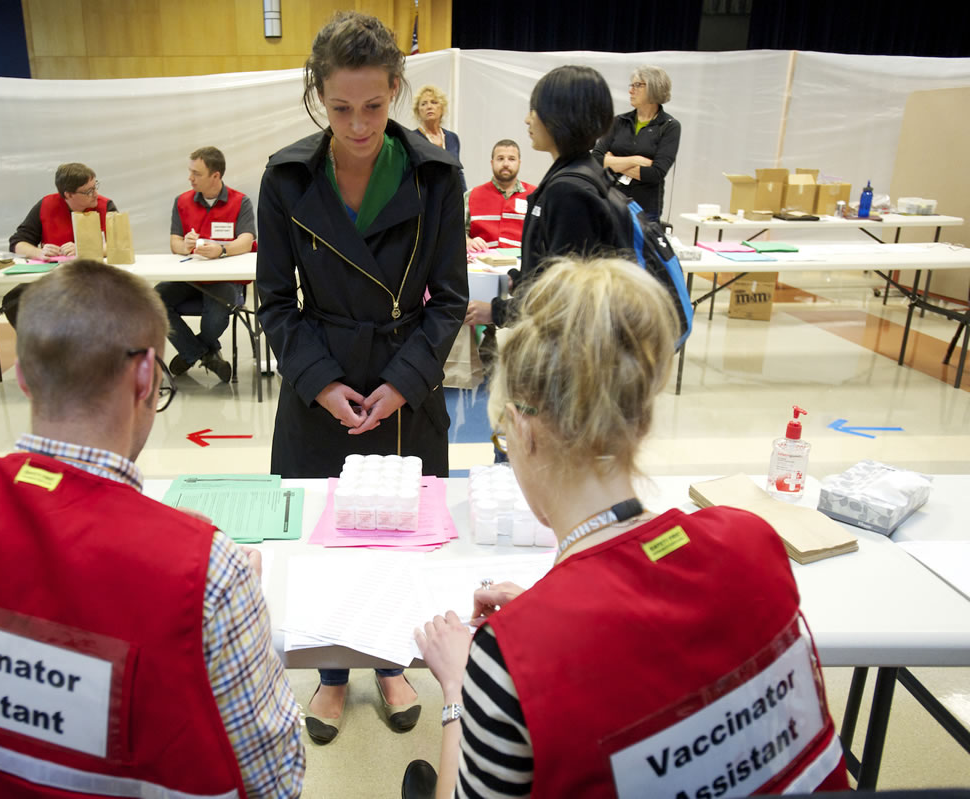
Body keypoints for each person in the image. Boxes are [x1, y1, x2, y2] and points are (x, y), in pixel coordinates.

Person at [0, 260, 305, 799]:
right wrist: (235, 598)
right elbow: (273, 784)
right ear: (145, 374)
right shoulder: (206, 570)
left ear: (24, 375)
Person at [410, 258, 850, 799]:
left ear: (523, 431)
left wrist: (462, 688)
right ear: (640, 420)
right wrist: (552, 614)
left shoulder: (506, 663)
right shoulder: (749, 539)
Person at [256, 11, 467, 743]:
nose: (357, 124)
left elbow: (453, 298)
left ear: (398, 90)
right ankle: (332, 673)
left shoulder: (436, 174)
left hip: (405, 382)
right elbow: (276, 303)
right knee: (328, 542)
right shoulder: (287, 178)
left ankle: (390, 659)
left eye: (374, 106)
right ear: (318, 97)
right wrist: (318, 381)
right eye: (340, 108)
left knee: (401, 537)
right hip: (323, 382)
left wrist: (406, 380)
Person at [467, 65, 622, 329]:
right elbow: (549, 264)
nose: (528, 120)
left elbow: (562, 295)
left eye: (534, 110)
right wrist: (519, 278)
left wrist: (496, 312)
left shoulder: (570, 192)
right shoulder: (579, 174)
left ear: (561, 117)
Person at [157, 146, 256, 383]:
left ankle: (191, 352)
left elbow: (246, 240)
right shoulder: (181, 201)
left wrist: (221, 250)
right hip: (189, 277)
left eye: (196, 173)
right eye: (190, 172)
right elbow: (175, 242)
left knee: (215, 321)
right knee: (153, 302)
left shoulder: (240, 202)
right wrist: (185, 245)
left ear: (216, 176)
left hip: (224, 279)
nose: (190, 178)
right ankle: (203, 354)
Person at [2, 163, 116, 327]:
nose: (95, 194)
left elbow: (116, 245)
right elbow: (17, 242)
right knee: (14, 300)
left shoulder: (106, 206)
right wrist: (38, 253)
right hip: (54, 279)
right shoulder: (46, 205)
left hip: (93, 279)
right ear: (68, 195)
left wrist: (85, 249)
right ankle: (42, 348)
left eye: (95, 186)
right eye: (88, 191)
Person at [592, 65, 681, 221]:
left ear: (655, 87)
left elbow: (655, 173)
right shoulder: (618, 122)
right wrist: (635, 161)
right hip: (610, 203)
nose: (631, 90)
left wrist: (613, 163)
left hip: (645, 210)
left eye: (638, 85)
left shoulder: (669, 126)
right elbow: (596, 160)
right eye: (631, 85)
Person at [464, 139, 534, 253]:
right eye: (500, 159)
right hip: (480, 265)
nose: (506, 164)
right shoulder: (471, 195)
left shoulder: (535, 195)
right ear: (492, 163)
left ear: (519, 163)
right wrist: (468, 241)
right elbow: (455, 232)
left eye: (511, 159)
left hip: (523, 265)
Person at [413, 85, 466, 192]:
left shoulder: (452, 138)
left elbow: (458, 171)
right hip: (426, 199)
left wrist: (464, 198)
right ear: (418, 111)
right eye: (424, 104)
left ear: (442, 108)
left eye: (434, 102)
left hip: (451, 198)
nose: (429, 107)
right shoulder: (413, 139)